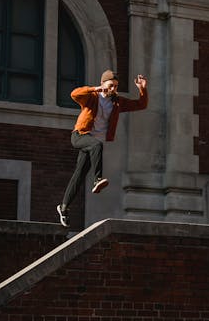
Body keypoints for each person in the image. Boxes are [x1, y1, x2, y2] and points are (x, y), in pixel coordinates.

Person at [57, 70, 148, 227]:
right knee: (97, 145)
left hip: (91, 143)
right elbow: (74, 94)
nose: (113, 89)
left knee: (78, 176)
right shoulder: (92, 97)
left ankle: (63, 207)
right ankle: (97, 179)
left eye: (116, 86)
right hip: (79, 135)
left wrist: (142, 89)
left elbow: (141, 104)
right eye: (110, 85)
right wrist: (94, 89)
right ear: (103, 84)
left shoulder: (117, 102)